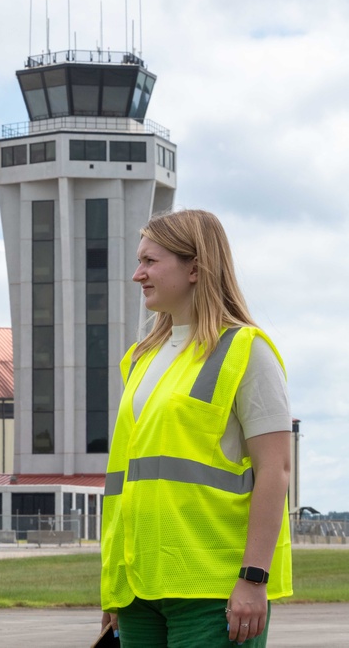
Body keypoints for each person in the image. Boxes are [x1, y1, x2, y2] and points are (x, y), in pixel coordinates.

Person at [99, 209, 293, 647]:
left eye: (150, 261)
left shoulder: (246, 350)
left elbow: (276, 471)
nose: (137, 275)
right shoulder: (138, 360)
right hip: (137, 587)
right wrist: (113, 589)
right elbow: (127, 481)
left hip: (212, 587)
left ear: (195, 268)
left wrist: (253, 579)